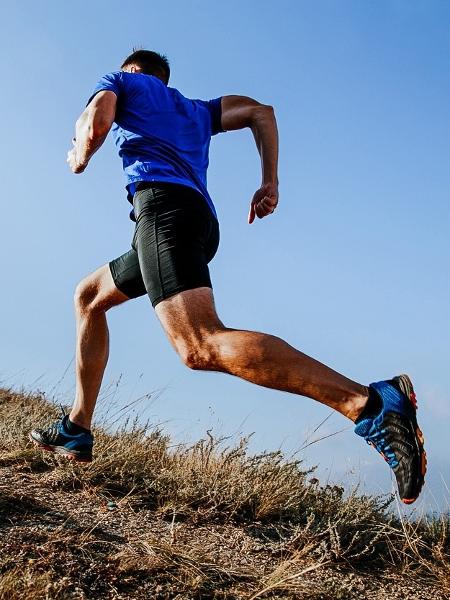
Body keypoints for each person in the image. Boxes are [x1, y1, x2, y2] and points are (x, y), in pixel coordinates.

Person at [30, 50, 426, 504]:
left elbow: (95, 121)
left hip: (164, 216)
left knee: (199, 345)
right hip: (194, 222)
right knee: (89, 296)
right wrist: (270, 181)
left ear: (134, 71)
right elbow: (262, 112)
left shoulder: (124, 81)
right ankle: (78, 428)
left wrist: (80, 153)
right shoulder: (198, 110)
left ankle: (369, 404)